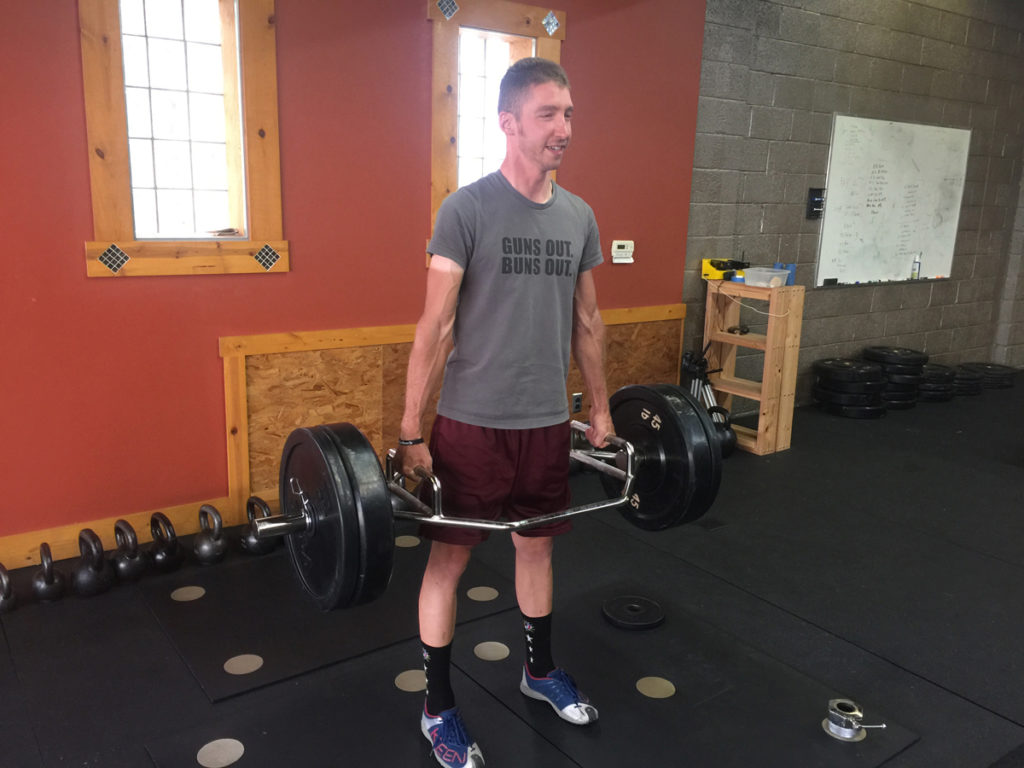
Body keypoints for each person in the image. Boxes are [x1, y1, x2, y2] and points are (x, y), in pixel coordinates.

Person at [397, 57, 613, 768]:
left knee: (538, 546)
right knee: (449, 561)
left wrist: (602, 411)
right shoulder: (467, 209)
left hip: (546, 422)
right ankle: (437, 709)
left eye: (570, 113)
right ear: (509, 122)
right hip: (472, 423)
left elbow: (588, 323)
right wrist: (409, 431)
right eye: (549, 114)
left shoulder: (579, 215)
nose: (564, 128)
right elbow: (433, 328)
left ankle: (538, 671)